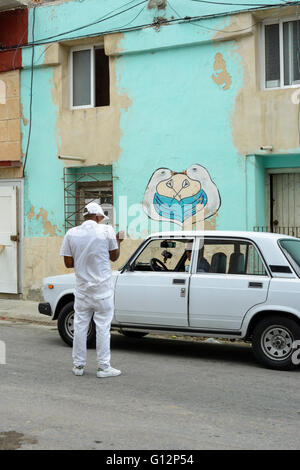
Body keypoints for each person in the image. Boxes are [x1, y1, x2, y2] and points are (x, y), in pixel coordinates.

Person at [60, 202, 124, 378]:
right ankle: (104, 367)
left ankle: (78, 366)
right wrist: (118, 241)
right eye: (101, 218)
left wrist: (82, 260)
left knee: (80, 326)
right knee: (103, 327)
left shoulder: (71, 233)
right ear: (97, 217)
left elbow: (68, 263)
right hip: (102, 290)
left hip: (82, 290)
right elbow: (114, 257)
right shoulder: (107, 231)